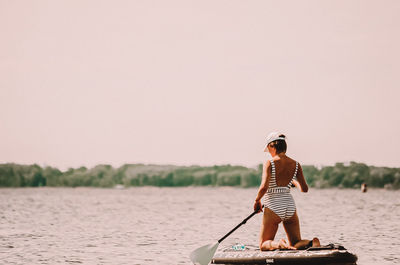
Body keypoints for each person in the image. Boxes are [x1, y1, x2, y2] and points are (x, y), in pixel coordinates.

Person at [253, 132, 321, 250]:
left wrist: (257, 200)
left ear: (271, 146)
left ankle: (278, 244)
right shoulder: (296, 164)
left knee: (263, 244)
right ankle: (310, 243)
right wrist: (291, 182)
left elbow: (264, 186)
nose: (268, 152)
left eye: (268, 149)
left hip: (274, 205)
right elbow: (305, 189)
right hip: (289, 205)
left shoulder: (270, 163)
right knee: (295, 243)